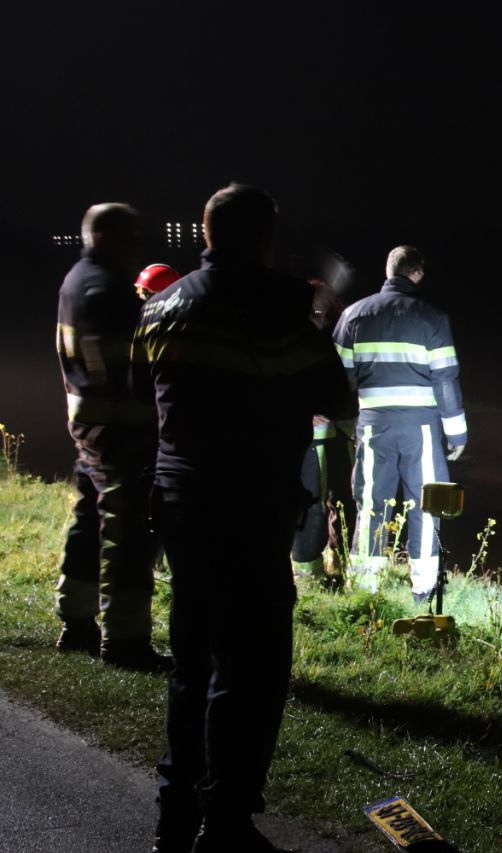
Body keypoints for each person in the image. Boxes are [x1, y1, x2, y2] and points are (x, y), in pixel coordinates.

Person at [133, 183, 349, 853]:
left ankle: (175, 816)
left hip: (178, 503)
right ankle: (225, 823)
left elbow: (146, 395)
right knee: (251, 666)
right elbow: (336, 396)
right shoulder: (277, 306)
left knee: (191, 659)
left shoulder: (161, 307)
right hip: (249, 506)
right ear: (265, 237)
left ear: (205, 233)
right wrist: (314, 324)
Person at [54, 202, 168, 671]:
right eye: (130, 234)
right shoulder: (110, 292)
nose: (137, 244)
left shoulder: (75, 281)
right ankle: (124, 642)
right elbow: (136, 371)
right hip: (121, 433)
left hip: (88, 425)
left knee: (87, 524)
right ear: (104, 237)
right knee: (130, 534)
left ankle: (76, 620)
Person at [332, 245, 467, 604]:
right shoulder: (432, 317)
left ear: (389, 271)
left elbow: (336, 377)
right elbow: (445, 380)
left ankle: (365, 587)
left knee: (372, 501)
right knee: (427, 504)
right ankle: (424, 588)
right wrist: (457, 434)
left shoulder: (353, 315)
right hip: (421, 427)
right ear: (417, 273)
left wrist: (347, 417)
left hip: (373, 424)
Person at [290, 278, 356, 586]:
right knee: (313, 503)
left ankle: (333, 562)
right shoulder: (300, 338)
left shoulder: (331, 335)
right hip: (312, 439)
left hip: (335, 435)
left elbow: (341, 387)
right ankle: (308, 572)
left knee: (338, 501)